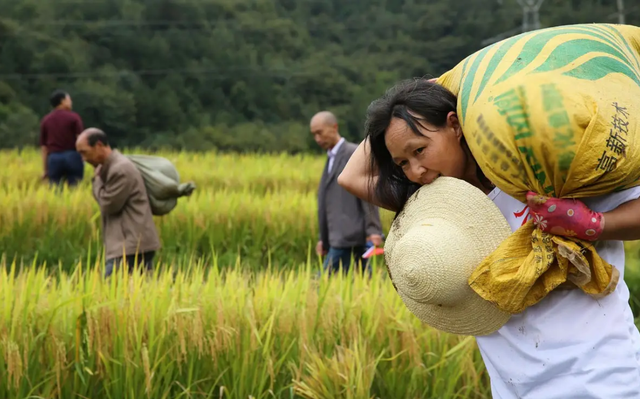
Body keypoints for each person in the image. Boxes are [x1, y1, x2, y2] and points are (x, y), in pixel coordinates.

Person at [337, 79, 640, 398]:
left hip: (602, 378)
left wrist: (593, 224)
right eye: (403, 163)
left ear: (454, 124)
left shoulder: (546, 172)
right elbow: (351, 177)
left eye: (420, 150)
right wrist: (427, 88)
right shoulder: (433, 211)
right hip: (515, 389)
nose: (415, 171)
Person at [76, 128, 161, 278]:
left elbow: (109, 205)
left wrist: (96, 181)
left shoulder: (120, 169)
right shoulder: (110, 167)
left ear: (99, 145)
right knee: (138, 293)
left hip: (130, 244)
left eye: (84, 152)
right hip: (131, 242)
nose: (83, 158)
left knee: (109, 290)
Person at [310, 111, 384, 275]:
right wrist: (324, 238)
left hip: (350, 235)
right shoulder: (331, 157)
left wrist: (373, 231)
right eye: (314, 134)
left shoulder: (353, 153)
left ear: (334, 127)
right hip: (338, 236)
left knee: (324, 280)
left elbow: (367, 193)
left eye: (320, 132)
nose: (317, 139)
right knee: (364, 278)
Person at [39, 89, 85, 187]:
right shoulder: (74, 117)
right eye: (69, 99)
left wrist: (45, 169)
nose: (71, 102)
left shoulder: (46, 120)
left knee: (55, 190)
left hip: (54, 158)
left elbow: (44, 148)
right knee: (75, 189)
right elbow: (81, 141)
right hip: (72, 156)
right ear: (62, 101)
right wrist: (85, 157)